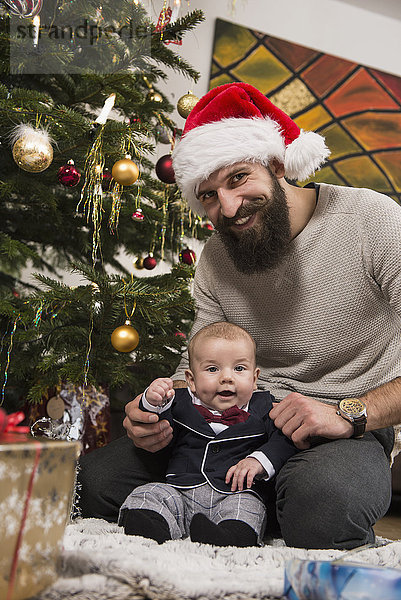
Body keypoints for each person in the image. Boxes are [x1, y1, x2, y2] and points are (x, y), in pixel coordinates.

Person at [79, 82, 401, 550]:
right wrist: (156, 412)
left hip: (341, 428)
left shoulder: (372, 220)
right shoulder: (217, 257)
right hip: (233, 421)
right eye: (208, 195)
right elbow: (201, 361)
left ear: (275, 164)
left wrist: (347, 413)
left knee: (326, 508)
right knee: (96, 478)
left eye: (237, 179)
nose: (227, 208)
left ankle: (248, 504)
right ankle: (247, 505)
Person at [118, 321, 297, 546]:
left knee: (248, 508)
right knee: (151, 492)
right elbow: (154, 423)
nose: (227, 378)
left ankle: (229, 536)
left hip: (234, 493)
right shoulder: (180, 401)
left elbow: (285, 439)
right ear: (191, 380)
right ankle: (152, 525)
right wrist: (151, 400)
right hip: (181, 489)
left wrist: (259, 460)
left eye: (239, 369)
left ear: (254, 378)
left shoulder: (265, 407)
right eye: (213, 369)